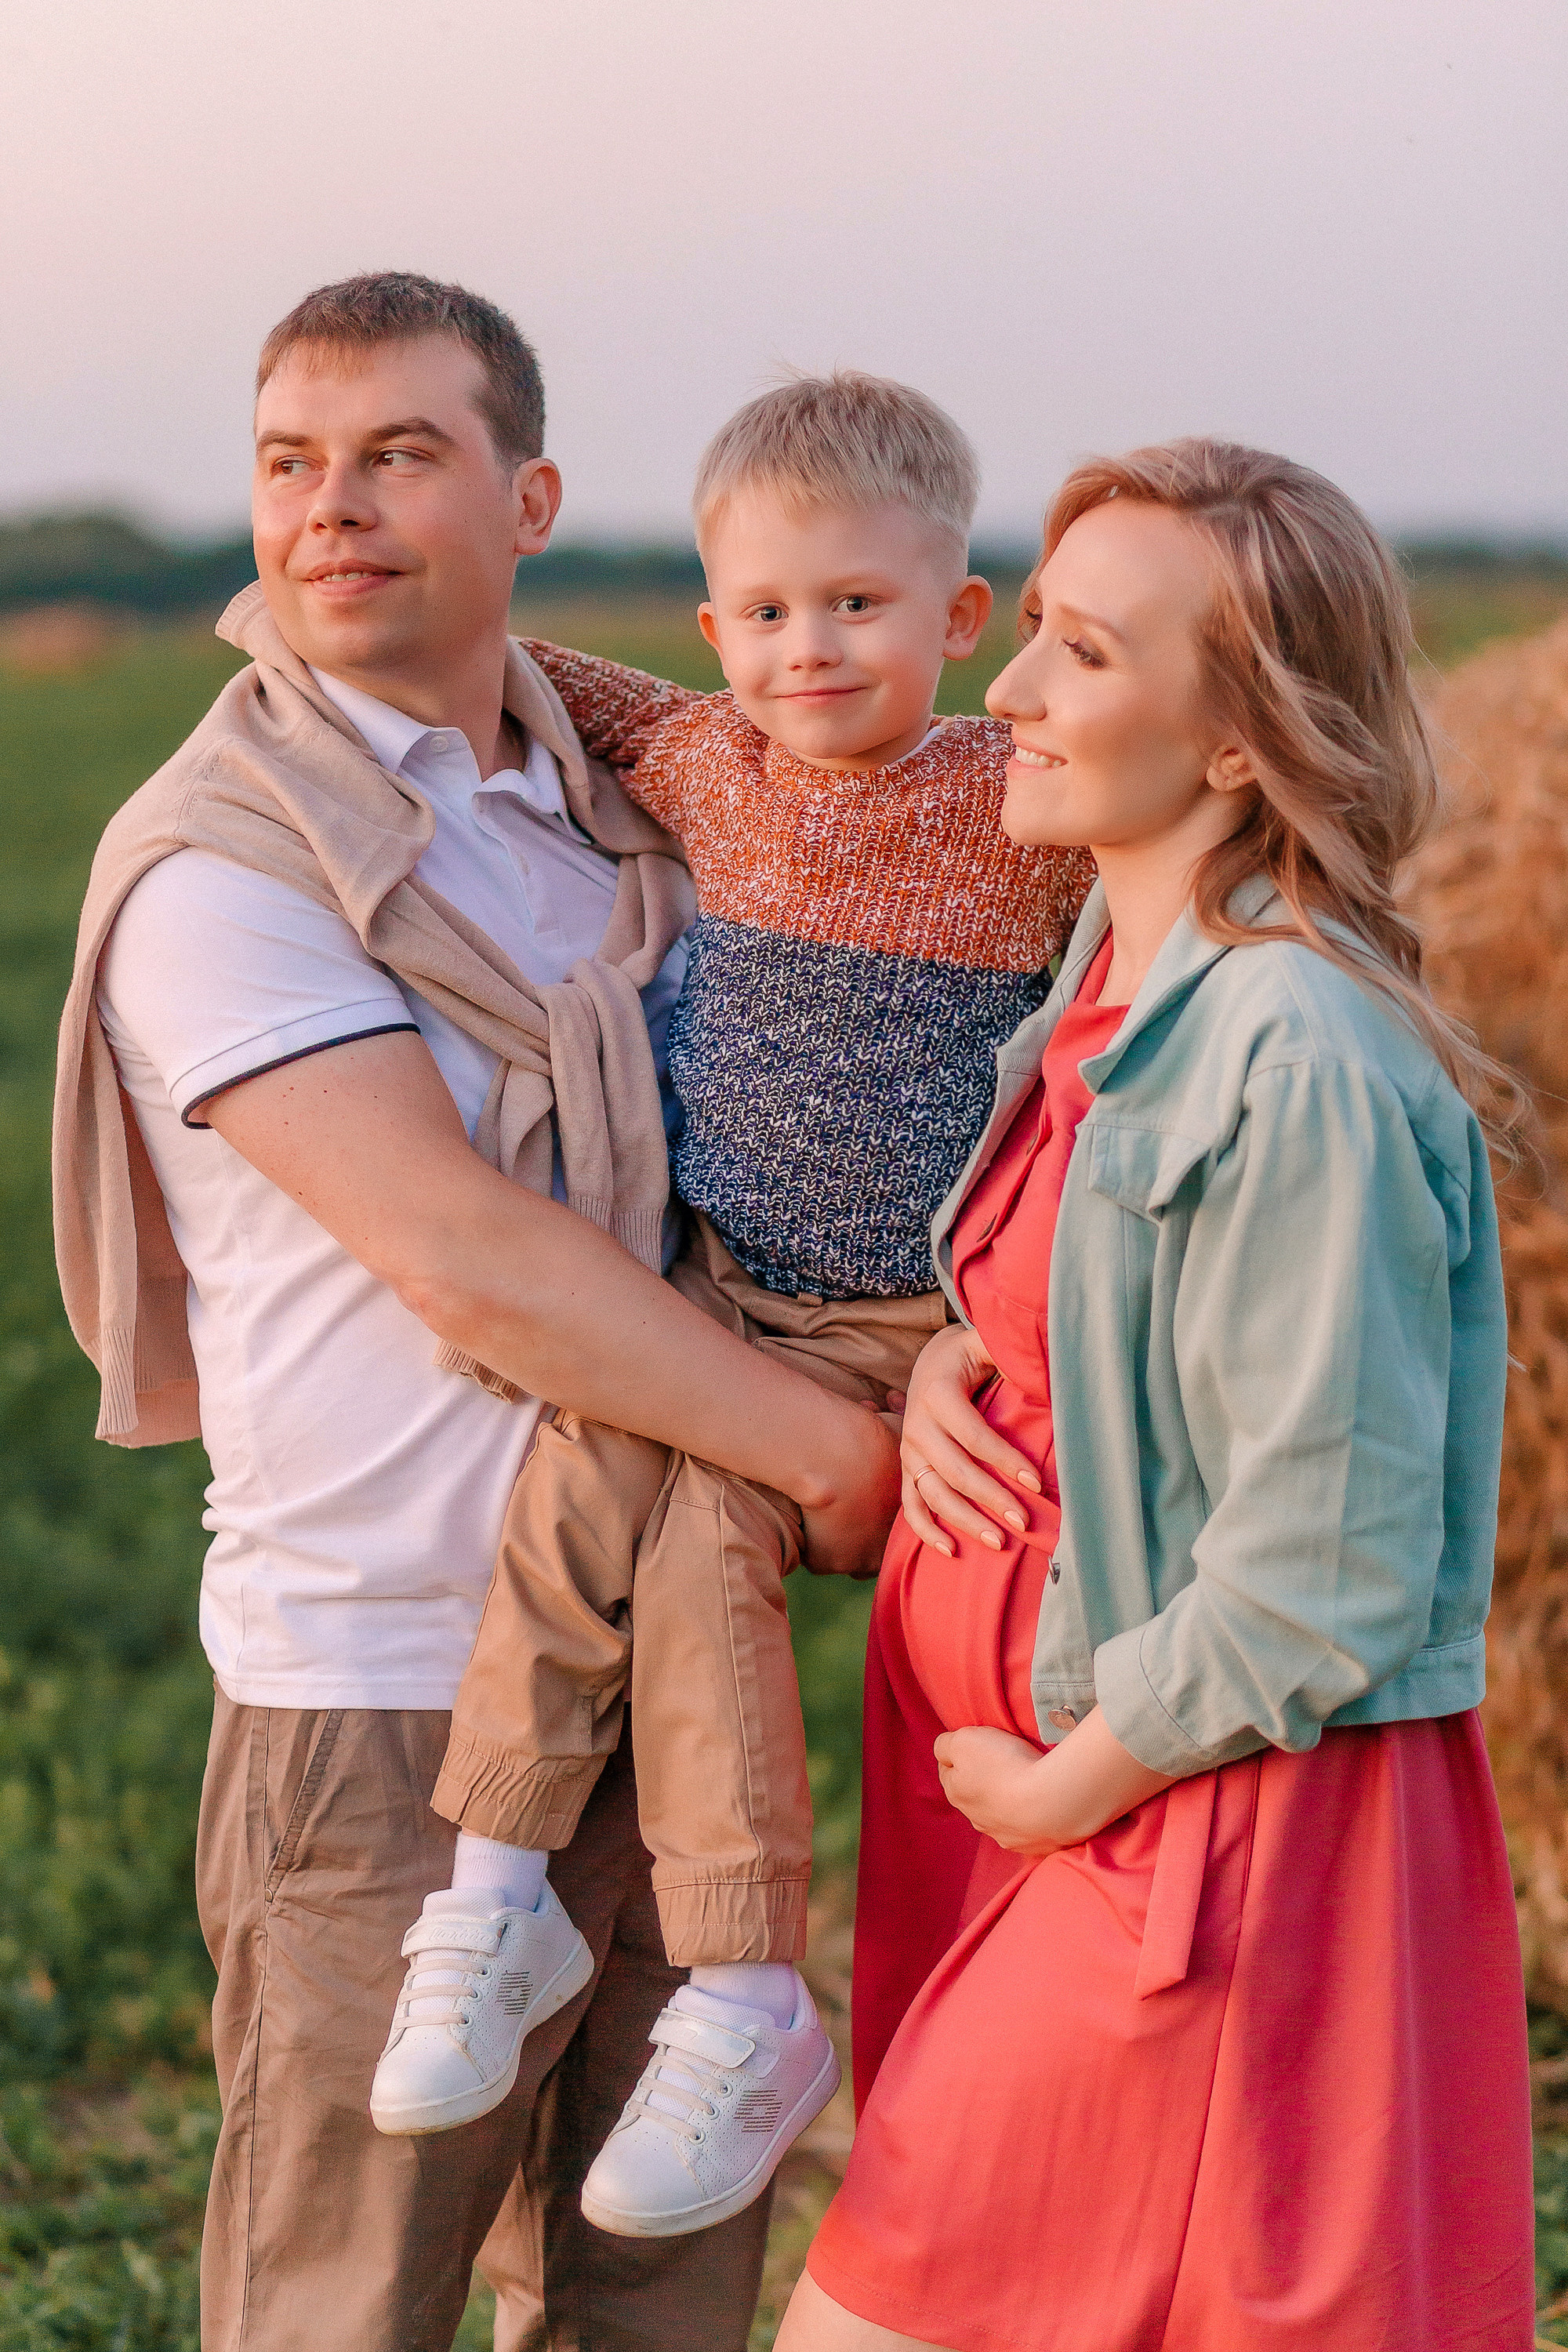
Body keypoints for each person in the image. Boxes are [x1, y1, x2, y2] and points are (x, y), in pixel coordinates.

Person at [52, 272, 904, 2352]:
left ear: (529, 501)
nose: (329, 509)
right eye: (289, 464)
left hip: (662, 1674)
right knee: (343, 2305)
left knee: (655, 2307)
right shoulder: (225, 863)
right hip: (386, 1690)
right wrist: (831, 1451)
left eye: (397, 456)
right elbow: (466, 1253)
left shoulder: (637, 810)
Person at [776, 439, 1537, 2352]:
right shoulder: (1103, 988)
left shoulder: (1298, 1050)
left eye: (1087, 654)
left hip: (1194, 1836)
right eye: (1032, 628)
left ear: (1236, 742)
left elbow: (1327, 1559)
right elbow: (1113, 1319)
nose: (1009, 691)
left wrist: (1066, 1789)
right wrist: (964, 1351)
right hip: (1066, 1807)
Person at [366, 373, 1094, 2245]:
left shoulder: (1023, 804)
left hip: (895, 1318)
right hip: (711, 1287)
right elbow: (498, 658)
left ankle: (749, 1985)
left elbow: (1171, 843)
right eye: (765, 612)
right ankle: (495, 1890)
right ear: (711, 629)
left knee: (700, 1556)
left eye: (856, 604)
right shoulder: (703, 756)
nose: (807, 649)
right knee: (571, 1494)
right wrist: (291, 612)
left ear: (960, 617)